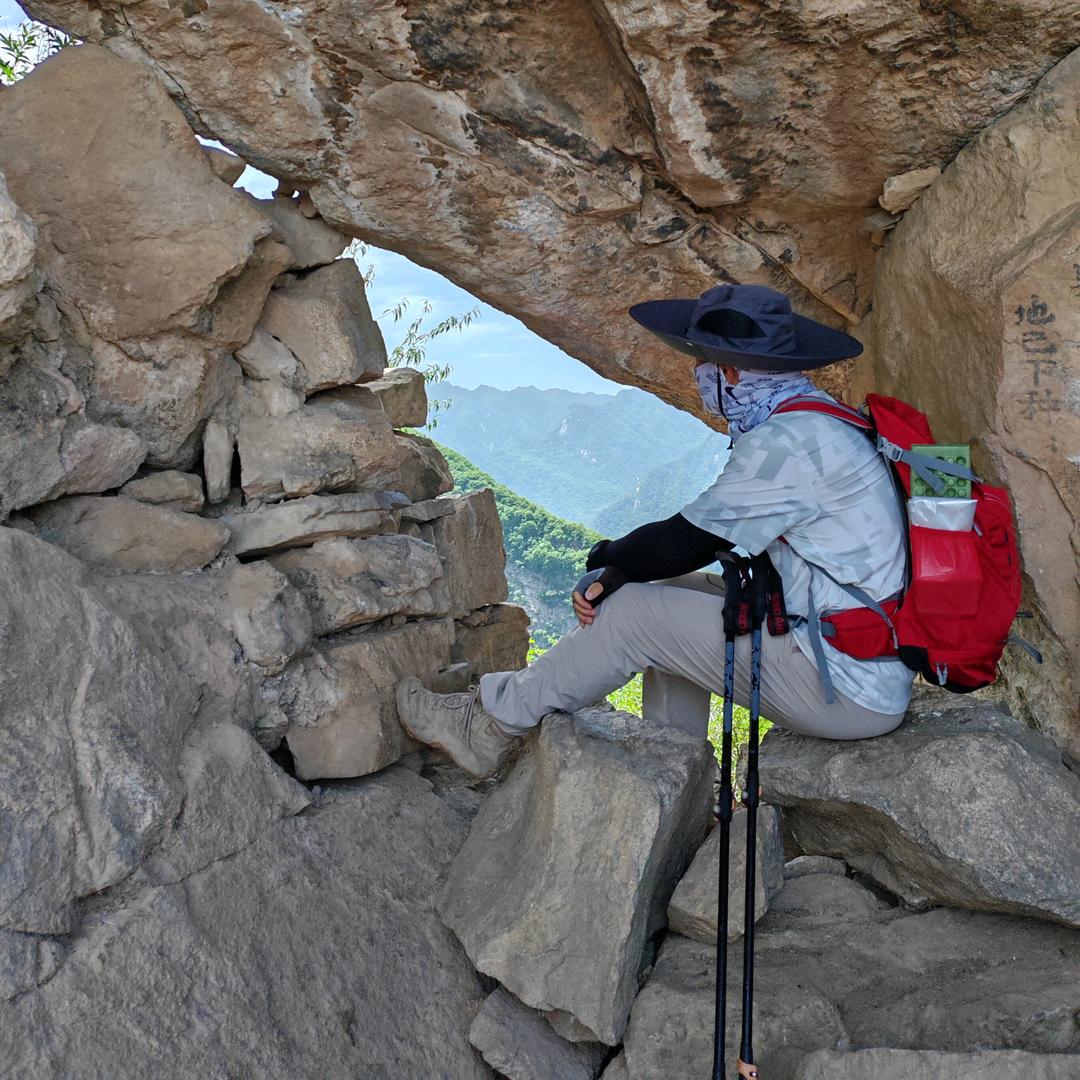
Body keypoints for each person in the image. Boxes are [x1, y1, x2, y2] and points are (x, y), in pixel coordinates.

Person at [396, 283, 915, 778]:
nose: (698, 375)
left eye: (703, 365)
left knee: (630, 614)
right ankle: (677, 766)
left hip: (844, 684)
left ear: (731, 373)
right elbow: (684, 550)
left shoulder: (788, 444)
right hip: (855, 656)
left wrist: (607, 559)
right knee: (667, 589)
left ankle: (488, 726)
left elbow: (687, 540)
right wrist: (628, 568)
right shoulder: (825, 421)